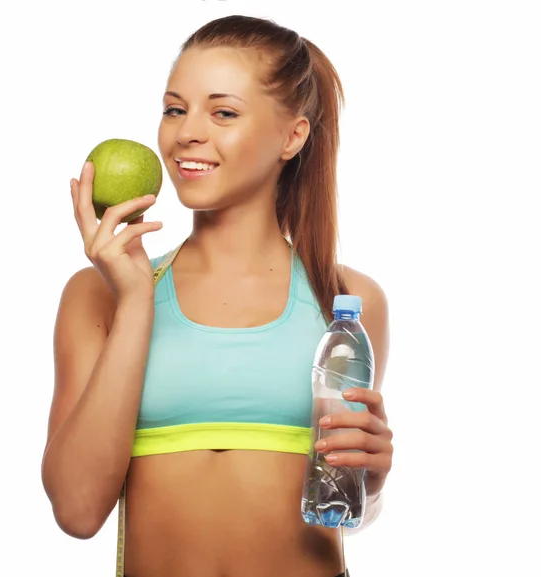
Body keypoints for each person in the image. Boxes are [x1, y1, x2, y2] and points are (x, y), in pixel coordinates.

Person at [41, 14, 393, 577]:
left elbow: (349, 505)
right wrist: (134, 302)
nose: (186, 133)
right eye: (175, 109)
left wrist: (370, 482)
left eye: (222, 112)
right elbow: (77, 510)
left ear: (292, 136)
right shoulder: (98, 295)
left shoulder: (347, 301)